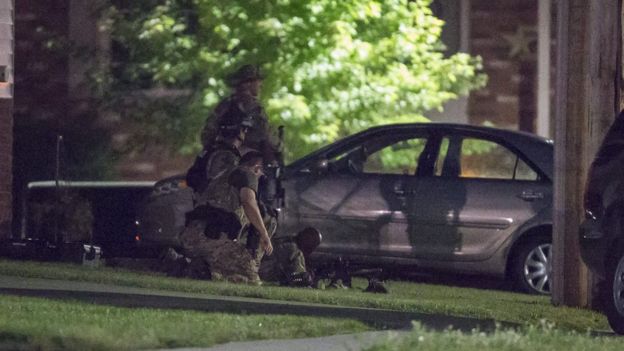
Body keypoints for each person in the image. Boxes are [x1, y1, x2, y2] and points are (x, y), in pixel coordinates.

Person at [179, 151, 274, 283]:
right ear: (257, 168)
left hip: (194, 236)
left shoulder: (223, 174)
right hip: (208, 238)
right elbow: (248, 202)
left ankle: (198, 266)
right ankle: (181, 264)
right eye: (261, 174)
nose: (259, 178)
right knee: (251, 276)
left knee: (224, 272)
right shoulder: (248, 174)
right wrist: (264, 235)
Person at [201, 64, 278, 165]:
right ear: (249, 83)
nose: (261, 85)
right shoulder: (255, 108)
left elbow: (207, 134)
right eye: (258, 81)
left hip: (221, 161)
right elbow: (266, 136)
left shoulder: (225, 104)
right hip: (249, 163)